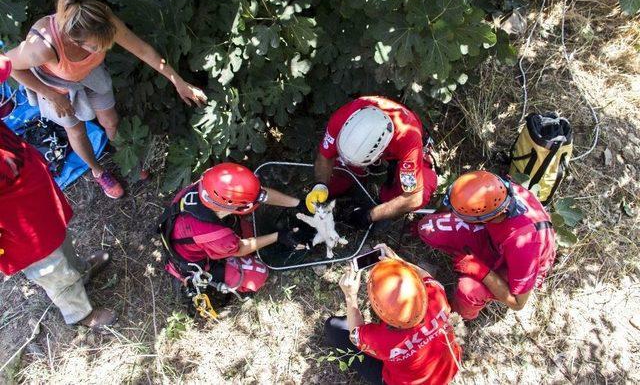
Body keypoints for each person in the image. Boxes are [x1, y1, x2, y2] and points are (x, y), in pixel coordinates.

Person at [4, 0, 208, 199]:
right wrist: (50, 94)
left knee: (111, 121)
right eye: (95, 47)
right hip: (56, 85)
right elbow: (7, 64)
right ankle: (98, 171)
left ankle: (126, 159)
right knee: (75, 130)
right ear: (74, 41)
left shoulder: (100, 20)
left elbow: (143, 50)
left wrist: (178, 82)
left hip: (89, 72)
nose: (102, 49)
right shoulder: (42, 48)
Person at [0, 55, 115, 329]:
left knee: (59, 240)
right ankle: (80, 313)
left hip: (31, 198)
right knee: (50, 268)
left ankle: (81, 271)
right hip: (16, 227)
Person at [159, 162, 311, 303]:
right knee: (258, 274)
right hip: (193, 261)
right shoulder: (215, 235)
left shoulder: (208, 185)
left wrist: (299, 204)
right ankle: (217, 281)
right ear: (228, 206)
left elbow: (261, 195)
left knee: (249, 229)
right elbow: (241, 248)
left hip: (184, 234)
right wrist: (279, 236)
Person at [417, 170, 557, 320]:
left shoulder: (525, 245)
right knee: (428, 227)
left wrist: (482, 272)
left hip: (515, 263)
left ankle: (457, 315)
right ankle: (478, 258)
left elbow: (518, 303)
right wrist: (435, 216)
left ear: (480, 220)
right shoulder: (496, 189)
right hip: (494, 239)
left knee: (469, 290)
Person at [324, 244, 461, 385]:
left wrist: (350, 296)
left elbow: (355, 336)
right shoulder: (437, 296)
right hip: (448, 371)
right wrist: (399, 262)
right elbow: (426, 277)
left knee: (334, 328)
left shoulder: (382, 340)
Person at [305, 95, 437, 230]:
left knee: (418, 189)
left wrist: (371, 215)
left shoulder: (407, 138)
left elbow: (414, 197)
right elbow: (325, 157)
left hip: (400, 154)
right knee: (336, 181)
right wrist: (320, 186)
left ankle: (384, 203)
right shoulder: (342, 118)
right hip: (364, 149)